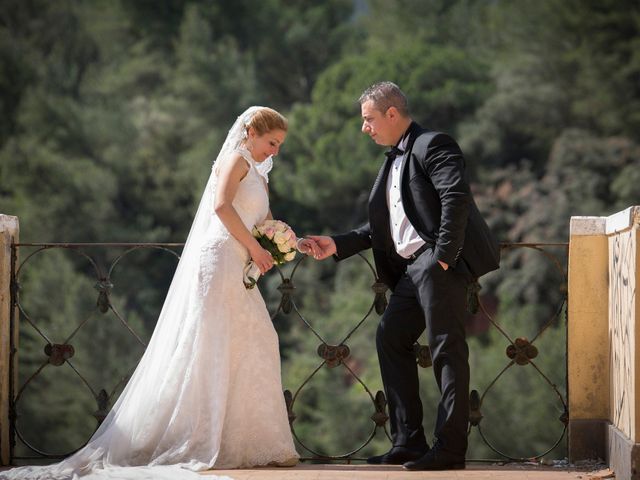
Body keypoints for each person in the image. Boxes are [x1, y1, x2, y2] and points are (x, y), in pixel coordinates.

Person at [0, 106, 315, 480]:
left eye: (279, 145)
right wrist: (257, 248)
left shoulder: (260, 173)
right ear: (251, 133)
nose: (275, 151)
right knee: (212, 343)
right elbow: (221, 207)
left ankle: (247, 441)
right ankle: (199, 437)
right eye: (271, 142)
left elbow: (261, 221)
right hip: (220, 258)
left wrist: (286, 242)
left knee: (253, 340)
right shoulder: (237, 159)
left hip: (240, 259)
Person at [307, 82, 499, 471]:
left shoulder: (433, 144)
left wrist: (443, 257)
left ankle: (449, 449)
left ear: (391, 114)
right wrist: (337, 243)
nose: (365, 128)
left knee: (447, 350)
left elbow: (455, 197)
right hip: (414, 271)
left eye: (369, 120)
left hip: (437, 263)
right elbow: (387, 225)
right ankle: (409, 441)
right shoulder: (393, 158)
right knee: (390, 336)